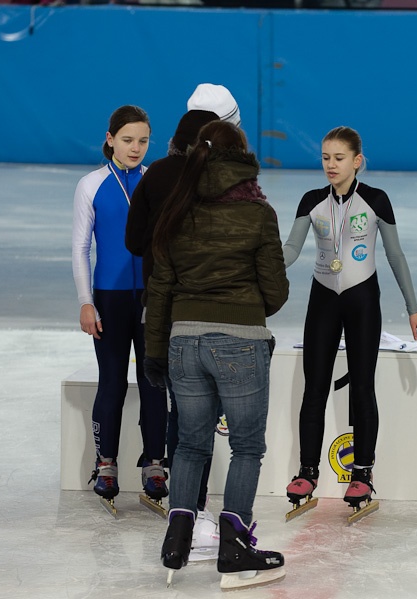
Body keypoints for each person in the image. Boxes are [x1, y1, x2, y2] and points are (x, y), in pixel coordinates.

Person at [143, 120, 289, 590]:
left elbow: (160, 289)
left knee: (189, 444)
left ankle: (177, 539)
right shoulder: (258, 214)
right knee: (246, 445)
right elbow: (276, 292)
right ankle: (235, 544)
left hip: (183, 340)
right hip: (239, 340)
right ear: (242, 158)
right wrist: (245, 305)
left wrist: (155, 352)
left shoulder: (176, 211)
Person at [281, 126, 417, 511]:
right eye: (326, 157)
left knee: (363, 386)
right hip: (323, 299)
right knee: (315, 387)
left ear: (357, 161)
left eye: (339, 158)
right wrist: (261, 266)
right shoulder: (312, 200)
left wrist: (413, 308)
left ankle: (362, 472)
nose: (331, 164)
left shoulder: (376, 200)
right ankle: (307, 470)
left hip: (363, 299)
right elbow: (292, 247)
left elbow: (395, 256)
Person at [126, 84, 240, 560]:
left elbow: (134, 242)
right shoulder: (222, 180)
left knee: (181, 408)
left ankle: (184, 512)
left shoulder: (156, 176)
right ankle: (198, 511)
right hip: (210, 308)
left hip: (161, 306)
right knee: (201, 409)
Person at [71, 105, 168, 512]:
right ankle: (106, 461)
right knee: (111, 380)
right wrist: (85, 302)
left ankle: (154, 463)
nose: (135, 148)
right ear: (110, 138)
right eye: (127, 139)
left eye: (143, 141)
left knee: (153, 383)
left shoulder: (155, 181)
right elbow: (81, 248)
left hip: (150, 298)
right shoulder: (91, 184)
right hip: (109, 298)